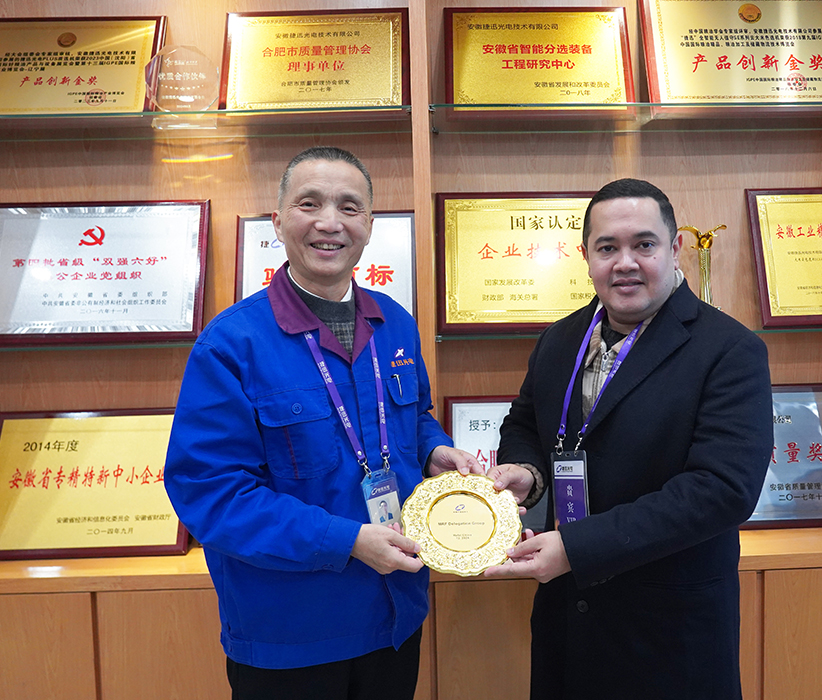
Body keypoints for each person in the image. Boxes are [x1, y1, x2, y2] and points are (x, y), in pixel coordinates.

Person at [164, 146, 481, 700]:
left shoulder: (395, 323)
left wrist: (435, 450)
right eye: (309, 204)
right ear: (278, 221)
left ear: (370, 225)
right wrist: (346, 540)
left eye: (349, 207)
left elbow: (413, 418)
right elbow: (209, 491)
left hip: (396, 613)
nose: (330, 222)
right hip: (290, 632)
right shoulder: (231, 345)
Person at [485, 178, 773, 700]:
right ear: (586, 257)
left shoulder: (730, 349)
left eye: (644, 244)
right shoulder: (560, 339)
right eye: (607, 248)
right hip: (566, 623)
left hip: (669, 632)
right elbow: (524, 424)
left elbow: (722, 489)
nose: (625, 263)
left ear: (674, 247)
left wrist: (577, 547)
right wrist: (527, 472)